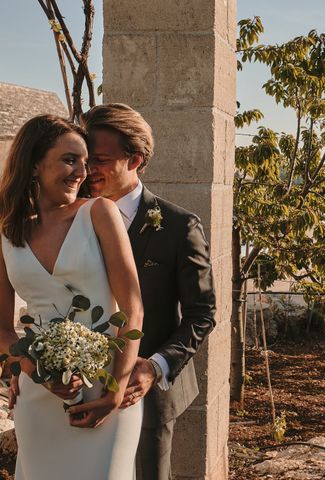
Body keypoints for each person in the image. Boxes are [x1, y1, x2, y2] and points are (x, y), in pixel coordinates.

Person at [0, 114, 144, 479]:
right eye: (69, 159)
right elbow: (2, 330)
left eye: (85, 161)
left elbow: (132, 309)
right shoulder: (4, 232)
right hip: (39, 400)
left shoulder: (99, 213)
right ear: (34, 163)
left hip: (107, 388)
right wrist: (34, 370)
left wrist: (115, 393)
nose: (82, 172)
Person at [81, 103, 216, 480]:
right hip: (76, 387)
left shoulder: (178, 226)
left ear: (135, 159)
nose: (88, 169)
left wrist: (154, 368)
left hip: (144, 392)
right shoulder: (70, 217)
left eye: (101, 159)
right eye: (83, 157)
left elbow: (202, 313)